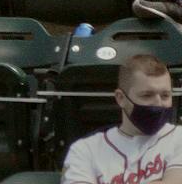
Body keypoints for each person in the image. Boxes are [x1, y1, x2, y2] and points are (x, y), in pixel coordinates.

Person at [60, 54, 177, 184]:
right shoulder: (85, 149)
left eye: (165, 95)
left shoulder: (178, 138)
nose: (158, 103)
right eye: (147, 95)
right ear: (121, 98)